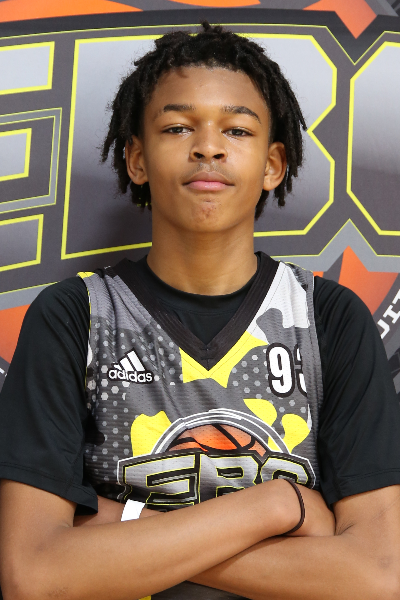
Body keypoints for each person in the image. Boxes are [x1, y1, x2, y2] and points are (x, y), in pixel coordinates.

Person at [0, 22, 400, 600]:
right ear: (137, 158)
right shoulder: (75, 316)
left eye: (237, 129)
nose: (208, 147)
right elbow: (34, 576)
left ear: (273, 163)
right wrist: (275, 506)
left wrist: (122, 529)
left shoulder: (328, 320)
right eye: (177, 127)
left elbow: (378, 576)